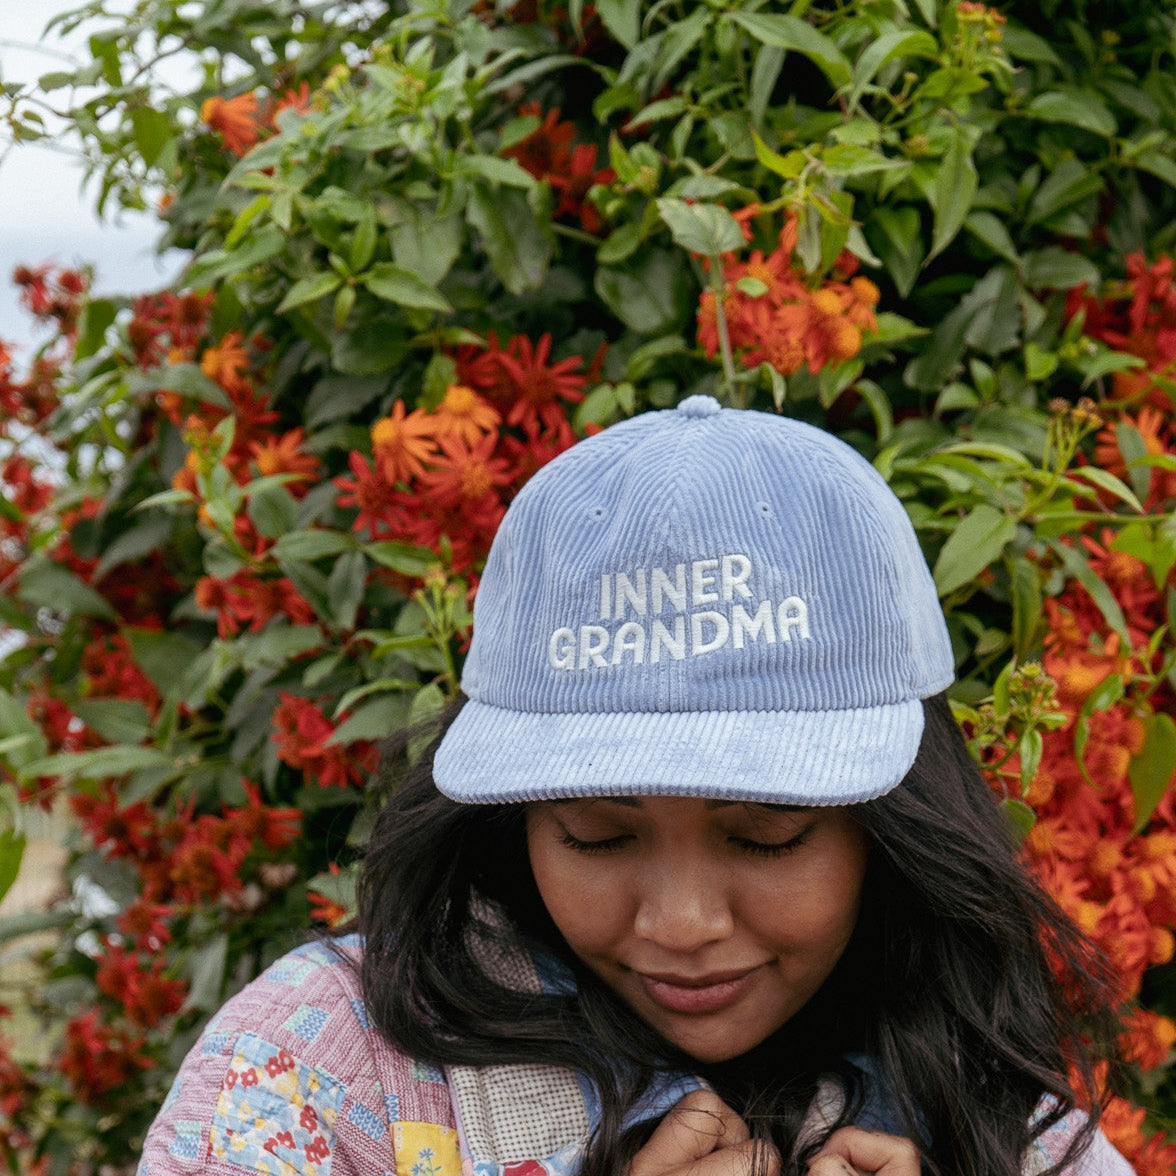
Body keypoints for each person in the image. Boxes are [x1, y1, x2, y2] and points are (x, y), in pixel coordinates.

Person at [139, 396, 1131, 1176]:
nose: (684, 923)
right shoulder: (307, 1077)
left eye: (768, 836)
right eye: (597, 834)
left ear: (894, 826)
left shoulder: (998, 1115)